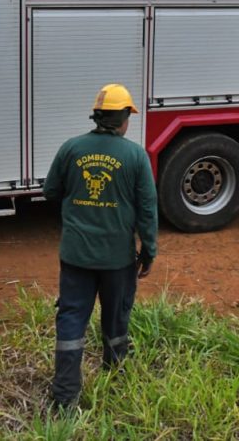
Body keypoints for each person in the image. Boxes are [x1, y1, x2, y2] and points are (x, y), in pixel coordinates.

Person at [43, 83, 158, 411]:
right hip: (117, 259)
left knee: (71, 319)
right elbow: (147, 210)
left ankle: (65, 397)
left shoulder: (71, 148)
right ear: (123, 117)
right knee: (116, 316)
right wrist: (148, 251)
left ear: (97, 116)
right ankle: (116, 371)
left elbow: (50, 191)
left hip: (76, 255)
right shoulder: (135, 156)